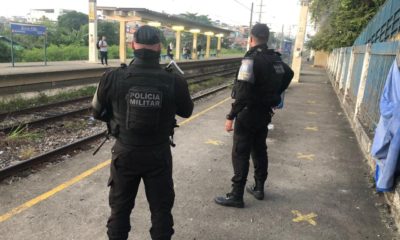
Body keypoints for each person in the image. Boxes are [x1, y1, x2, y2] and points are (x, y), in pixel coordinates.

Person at [91, 25, 194, 240]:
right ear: (159, 47)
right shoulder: (174, 80)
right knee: (161, 210)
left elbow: (97, 111)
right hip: (158, 154)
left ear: (132, 45)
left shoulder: (112, 77)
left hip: (125, 153)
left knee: (119, 209)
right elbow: (187, 111)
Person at [214, 23, 294, 208]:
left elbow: (242, 93)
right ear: (267, 38)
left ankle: (236, 195)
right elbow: (289, 74)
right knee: (259, 149)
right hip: (264, 113)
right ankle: (259, 188)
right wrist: (275, 93)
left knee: (240, 153)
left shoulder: (250, 60)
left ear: (251, 38)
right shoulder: (275, 59)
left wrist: (230, 115)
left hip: (248, 113)